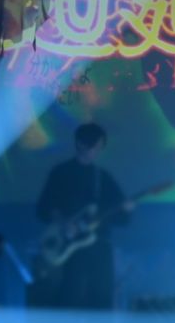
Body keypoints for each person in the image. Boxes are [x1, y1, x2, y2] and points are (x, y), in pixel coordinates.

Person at [32, 123, 133, 309]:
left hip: (100, 246)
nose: (97, 151)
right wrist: (63, 222)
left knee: (102, 298)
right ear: (81, 144)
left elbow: (120, 216)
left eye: (100, 147)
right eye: (95, 146)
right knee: (72, 296)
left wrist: (126, 210)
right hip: (70, 250)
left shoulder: (103, 177)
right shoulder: (60, 173)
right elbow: (44, 208)